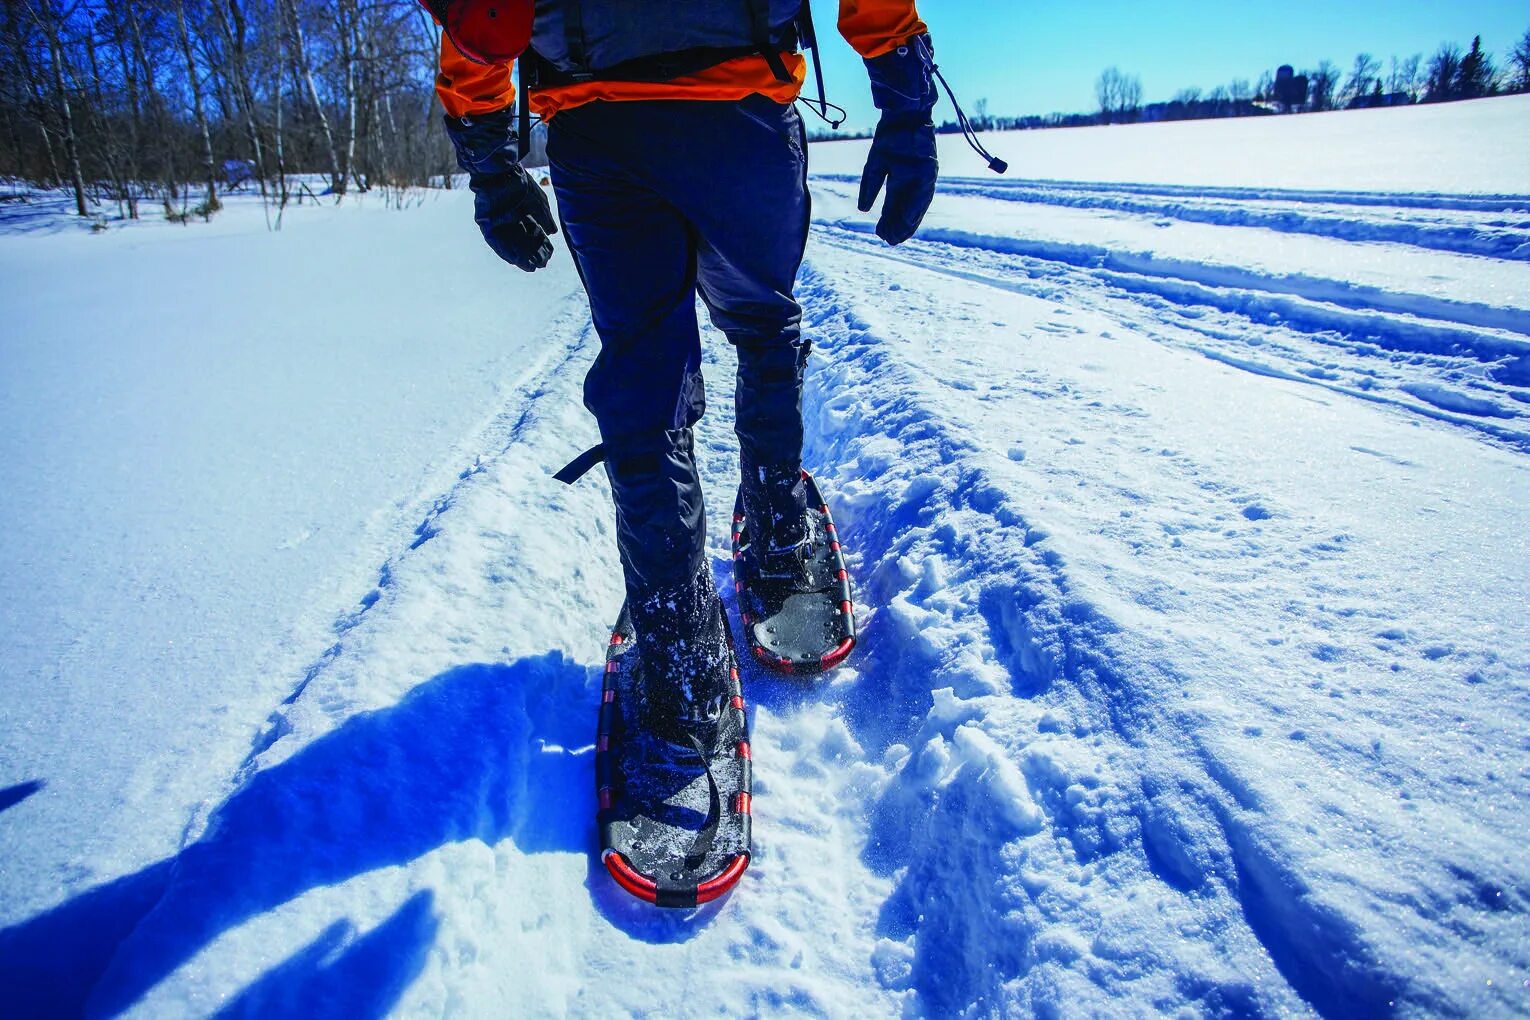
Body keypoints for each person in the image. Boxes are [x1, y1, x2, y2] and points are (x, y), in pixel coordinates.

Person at [431, 0, 938, 747]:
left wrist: (489, 166)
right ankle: (777, 528)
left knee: (644, 377)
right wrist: (906, 104)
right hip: (745, 119)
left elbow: (483, 19)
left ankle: (680, 656)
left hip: (601, 133)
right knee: (763, 324)